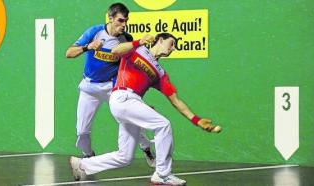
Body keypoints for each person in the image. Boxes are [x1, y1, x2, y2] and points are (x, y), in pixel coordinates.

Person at [69, 33, 222, 185]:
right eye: (171, 44)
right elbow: (116, 51)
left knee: (125, 156)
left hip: (131, 103)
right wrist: (139, 41)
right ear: (160, 40)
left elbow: (176, 101)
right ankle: (162, 174)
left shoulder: (160, 73)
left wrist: (196, 120)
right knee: (163, 125)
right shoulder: (137, 50)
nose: (173, 49)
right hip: (122, 97)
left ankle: (82, 165)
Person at [65, 3, 155, 166]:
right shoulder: (94, 32)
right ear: (110, 17)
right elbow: (69, 53)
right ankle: (88, 156)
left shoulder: (126, 39)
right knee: (82, 131)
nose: (124, 24)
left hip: (112, 88)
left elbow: (134, 63)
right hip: (89, 88)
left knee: (130, 120)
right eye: (120, 20)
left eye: (126, 21)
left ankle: (147, 149)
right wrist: (88, 47)